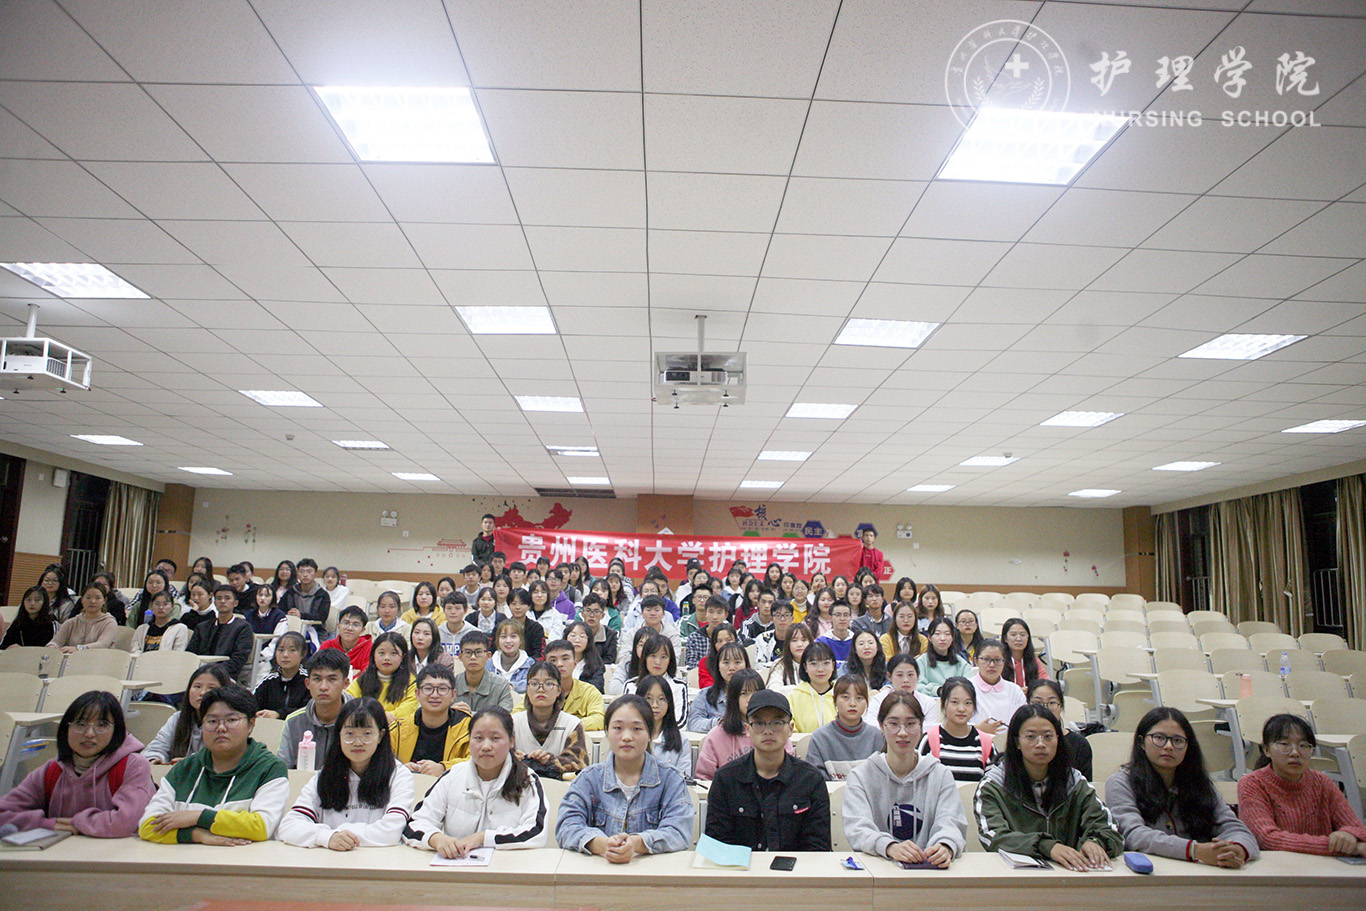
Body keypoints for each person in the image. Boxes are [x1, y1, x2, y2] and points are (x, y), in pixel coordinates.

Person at [974, 704, 1123, 870]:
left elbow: (1109, 829)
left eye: (1048, 736)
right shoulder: (994, 786)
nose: (1040, 744)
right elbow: (993, 837)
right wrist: (1047, 846)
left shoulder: (1074, 782)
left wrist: (1095, 842)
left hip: (1072, 875)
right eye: (1031, 737)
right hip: (1016, 877)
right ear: (1017, 742)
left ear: (1058, 740)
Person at [139, 683, 290, 844]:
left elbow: (261, 827)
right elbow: (147, 826)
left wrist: (198, 816)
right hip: (184, 857)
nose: (221, 728)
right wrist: (197, 835)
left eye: (231, 720)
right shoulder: (185, 768)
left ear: (251, 724)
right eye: (212, 721)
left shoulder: (270, 768)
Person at [1106, 706, 1258, 866]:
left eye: (1178, 740)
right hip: (1152, 871)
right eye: (1159, 738)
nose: (1169, 746)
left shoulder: (1199, 783)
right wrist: (1194, 850)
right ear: (1142, 742)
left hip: (1204, 870)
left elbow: (1234, 828)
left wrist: (1237, 850)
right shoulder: (1121, 782)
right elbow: (1133, 834)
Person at [555, 694, 694, 861]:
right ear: (607, 732)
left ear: (650, 734)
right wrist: (603, 845)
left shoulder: (671, 779)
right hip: (598, 871)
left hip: (651, 873)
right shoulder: (588, 779)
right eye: (618, 728)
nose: (627, 737)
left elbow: (679, 832)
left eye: (637, 729)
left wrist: (636, 843)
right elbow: (566, 827)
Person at [0, 690, 155, 837]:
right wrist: (46, 823)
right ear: (66, 728)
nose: (89, 734)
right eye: (80, 724)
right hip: (62, 854)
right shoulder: (51, 771)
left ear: (117, 731)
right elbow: (3, 813)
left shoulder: (133, 766)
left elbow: (126, 823)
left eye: (102, 725)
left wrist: (76, 823)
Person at [843, 691, 966, 866]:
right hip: (879, 870)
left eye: (911, 724)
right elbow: (858, 828)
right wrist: (889, 846)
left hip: (931, 870)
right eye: (894, 724)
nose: (902, 733)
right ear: (881, 725)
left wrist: (945, 845)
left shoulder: (940, 774)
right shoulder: (861, 776)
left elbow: (951, 821)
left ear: (921, 726)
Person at [406, 706, 549, 855]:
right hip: (456, 865)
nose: (486, 746)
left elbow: (536, 832)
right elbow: (415, 824)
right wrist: (435, 838)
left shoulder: (527, 780)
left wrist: (483, 838)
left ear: (511, 741)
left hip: (507, 865)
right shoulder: (452, 776)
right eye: (478, 738)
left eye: (495, 738)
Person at [278, 697, 415, 849]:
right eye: (350, 733)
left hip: (378, 860)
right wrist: (327, 837)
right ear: (339, 735)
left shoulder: (398, 775)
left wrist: (341, 834)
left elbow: (392, 832)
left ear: (380, 736)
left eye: (367, 734)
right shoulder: (326, 774)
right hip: (329, 859)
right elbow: (289, 826)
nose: (358, 742)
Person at [704, 689, 830, 851]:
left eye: (777, 723)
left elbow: (818, 846)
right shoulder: (726, 779)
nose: (768, 731)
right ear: (747, 729)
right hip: (739, 866)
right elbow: (717, 845)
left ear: (791, 728)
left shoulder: (810, 780)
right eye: (759, 723)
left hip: (796, 866)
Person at [1238, 713, 1366, 856]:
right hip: (1277, 865)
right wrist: (1343, 847)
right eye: (1284, 744)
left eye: (1303, 745)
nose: (1295, 753)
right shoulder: (1253, 783)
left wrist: (1347, 834)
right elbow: (1268, 839)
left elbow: (1357, 828)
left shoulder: (1322, 782)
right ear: (1266, 750)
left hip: (1324, 865)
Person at [514, 660, 590, 779]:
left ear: (559, 691)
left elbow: (580, 765)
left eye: (548, 684)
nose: (541, 689)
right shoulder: (513, 722)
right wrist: (512, 759)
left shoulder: (572, 724)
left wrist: (550, 760)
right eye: (534, 684)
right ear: (527, 690)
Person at [391, 664, 472, 775]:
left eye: (442, 689)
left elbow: (477, 761)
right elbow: (381, 760)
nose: (434, 695)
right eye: (428, 689)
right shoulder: (398, 729)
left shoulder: (469, 728)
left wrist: (444, 768)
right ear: (417, 694)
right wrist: (400, 769)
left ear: (453, 695)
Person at [144, 664, 234, 764]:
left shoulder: (229, 723)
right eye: (197, 686)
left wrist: (189, 763)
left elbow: (222, 756)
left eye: (211, 688)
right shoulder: (177, 718)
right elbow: (156, 747)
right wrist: (154, 759)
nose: (202, 693)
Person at [280, 648, 352, 769]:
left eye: (332, 679)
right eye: (317, 679)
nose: (323, 687)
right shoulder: (294, 721)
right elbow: (284, 769)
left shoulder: (361, 720)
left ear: (345, 683)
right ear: (307, 683)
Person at [804, 674, 884, 780]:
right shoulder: (820, 738)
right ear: (834, 700)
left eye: (859, 698)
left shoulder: (877, 737)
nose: (852, 703)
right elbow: (814, 780)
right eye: (845, 697)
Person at [920, 676, 994, 783]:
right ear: (943, 703)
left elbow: (992, 785)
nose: (961, 709)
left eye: (968, 703)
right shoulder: (929, 741)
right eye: (954, 702)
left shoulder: (986, 743)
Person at [346, 631, 418, 725]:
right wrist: (381, 717)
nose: (387, 658)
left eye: (393, 653)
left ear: (403, 657)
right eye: (381, 653)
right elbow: (349, 704)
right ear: (373, 655)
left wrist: (374, 717)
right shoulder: (362, 680)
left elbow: (408, 710)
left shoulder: (411, 683)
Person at [187, 584, 254, 682]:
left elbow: (239, 659)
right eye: (219, 598)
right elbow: (190, 654)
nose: (222, 601)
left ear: (235, 603)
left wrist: (212, 672)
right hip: (198, 673)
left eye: (227, 598)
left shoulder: (243, 627)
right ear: (214, 602)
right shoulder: (202, 627)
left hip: (225, 676)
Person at [1027, 679, 1091, 780]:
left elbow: (1085, 785)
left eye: (1052, 703)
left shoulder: (1079, 744)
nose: (1045, 709)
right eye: (1038, 703)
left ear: (1061, 706)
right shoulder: (1020, 740)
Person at [686, 641, 749, 733]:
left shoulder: (756, 693)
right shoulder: (706, 694)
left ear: (746, 665)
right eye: (726, 662)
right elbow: (693, 723)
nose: (732, 668)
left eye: (737, 662)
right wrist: (719, 723)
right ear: (718, 666)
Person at [637, 674, 690, 779]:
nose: (655, 705)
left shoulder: (681, 740)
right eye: (648, 698)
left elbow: (683, 780)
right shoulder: (628, 736)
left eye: (661, 699)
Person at [969, 639, 1026, 738]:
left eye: (997, 660)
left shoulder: (1015, 690)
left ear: (1004, 662)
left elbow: (1024, 722)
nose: (992, 665)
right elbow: (953, 725)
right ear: (976, 661)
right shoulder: (965, 688)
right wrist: (977, 729)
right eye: (986, 659)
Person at [453, 630, 515, 714]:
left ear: (488, 656)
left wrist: (464, 714)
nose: (473, 657)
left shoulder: (501, 685)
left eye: (478, 652)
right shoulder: (451, 684)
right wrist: (449, 712)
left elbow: (504, 717)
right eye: (468, 652)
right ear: (460, 656)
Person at [869, 654, 939, 728]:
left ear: (917, 676)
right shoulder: (879, 700)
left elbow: (930, 728)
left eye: (910, 675)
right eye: (900, 675)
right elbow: (871, 724)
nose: (906, 680)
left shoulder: (928, 702)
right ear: (889, 676)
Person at [254, 631, 310, 719]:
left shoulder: (309, 681)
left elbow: (310, 710)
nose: (285, 655)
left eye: (292, 650)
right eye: (281, 650)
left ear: (303, 654)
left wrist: (279, 714)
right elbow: (252, 704)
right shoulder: (268, 681)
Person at [50, 583, 118, 653]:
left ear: (104, 600)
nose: (93, 601)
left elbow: (103, 644)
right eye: (88, 597)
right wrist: (52, 647)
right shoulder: (71, 622)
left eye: (97, 598)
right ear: (82, 600)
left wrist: (78, 648)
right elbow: (56, 642)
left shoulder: (109, 622)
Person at [789, 640, 838, 734]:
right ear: (805, 667)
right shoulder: (794, 696)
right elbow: (791, 730)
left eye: (826, 663)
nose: (820, 669)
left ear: (833, 665)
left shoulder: (842, 693)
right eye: (814, 664)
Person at [916, 617, 973, 696]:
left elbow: (970, 685)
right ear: (929, 637)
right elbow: (917, 686)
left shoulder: (961, 663)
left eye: (947, 634)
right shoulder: (921, 661)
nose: (942, 638)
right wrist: (937, 690)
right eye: (937, 634)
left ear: (952, 638)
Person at [130, 590, 189, 654]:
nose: (161, 607)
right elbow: (134, 650)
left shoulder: (180, 628)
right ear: (151, 606)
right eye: (157, 604)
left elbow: (178, 652)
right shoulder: (142, 629)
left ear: (172, 607)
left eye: (165, 604)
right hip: (143, 659)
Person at [321, 606, 373, 674]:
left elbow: (367, 675)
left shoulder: (370, 648)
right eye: (346, 623)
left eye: (355, 625)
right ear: (338, 626)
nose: (349, 628)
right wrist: (351, 673)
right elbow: (320, 671)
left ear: (362, 630)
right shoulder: (327, 645)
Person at [1001, 618, 1050, 690]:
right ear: (1005, 638)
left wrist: (1031, 691)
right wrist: (1017, 692)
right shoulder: (999, 661)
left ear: (1028, 637)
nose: (1018, 639)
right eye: (1013, 635)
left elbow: (1045, 682)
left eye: (1022, 635)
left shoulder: (1034, 660)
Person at [280, 558, 331, 625]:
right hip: (291, 626)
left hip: (315, 628)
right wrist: (288, 614)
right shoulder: (291, 592)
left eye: (309, 571)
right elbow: (279, 610)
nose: (305, 575)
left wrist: (301, 615)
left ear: (315, 574)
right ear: (298, 574)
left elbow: (322, 617)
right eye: (301, 571)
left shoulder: (322, 595)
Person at [684, 595, 730, 670]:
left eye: (719, 612)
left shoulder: (731, 636)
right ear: (705, 613)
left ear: (726, 615)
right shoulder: (694, 637)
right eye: (711, 612)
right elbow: (691, 665)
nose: (715, 617)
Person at [489, 620, 533, 693]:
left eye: (513, 636)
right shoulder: (489, 664)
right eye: (503, 637)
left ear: (521, 640)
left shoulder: (530, 664)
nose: (508, 641)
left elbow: (532, 684)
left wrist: (512, 686)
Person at [765, 621, 812, 687]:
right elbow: (773, 688)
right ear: (787, 644)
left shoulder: (817, 663)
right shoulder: (780, 664)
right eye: (794, 640)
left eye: (804, 640)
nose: (799, 644)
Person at [564, 619, 606, 693]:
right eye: (573, 635)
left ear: (589, 641)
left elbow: (596, 687)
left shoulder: (596, 664)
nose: (577, 640)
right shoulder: (558, 662)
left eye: (582, 636)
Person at [505, 588, 546, 661]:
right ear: (509, 605)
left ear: (529, 606)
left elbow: (539, 654)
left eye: (522, 604)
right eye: (514, 604)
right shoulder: (501, 627)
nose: (517, 607)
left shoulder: (536, 628)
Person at [696, 620, 738, 690]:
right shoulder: (705, 663)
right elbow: (706, 687)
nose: (724, 644)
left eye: (729, 640)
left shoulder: (741, 660)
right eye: (719, 641)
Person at [751, 598, 794, 665]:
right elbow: (759, 665)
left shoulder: (798, 638)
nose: (782, 619)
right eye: (778, 615)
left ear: (792, 618)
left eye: (786, 615)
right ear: (772, 619)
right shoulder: (762, 639)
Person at [579, 594, 619, 666]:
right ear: (582, 613)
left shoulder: (610, 635)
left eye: (596, 611)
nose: (592, 615)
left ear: (602, 615)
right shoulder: (572, 631)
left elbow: (609, 659)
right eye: (588, 610)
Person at [817, 601, 856, 666]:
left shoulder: (856, 641)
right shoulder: (821, 643)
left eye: (846, 615)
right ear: (830, 618)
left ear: (850, 618)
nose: (842, 619)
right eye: (838, 615)